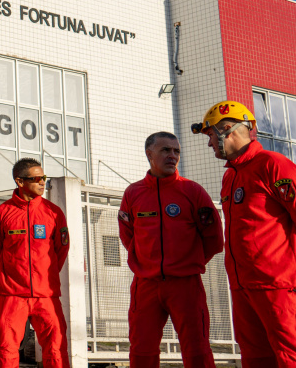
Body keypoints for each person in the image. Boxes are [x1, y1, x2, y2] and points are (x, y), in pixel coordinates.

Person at [192, 101, 296, 367]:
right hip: (242, 286)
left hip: (278, 285)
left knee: (290, 354)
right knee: (255, 357)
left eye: (210, 135)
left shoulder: (274, 165)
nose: (209, 144)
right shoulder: (230, 176)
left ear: (227, 129)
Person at [118, 132, 222, 368]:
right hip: (145, 284)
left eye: (176, 151)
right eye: (166, 150)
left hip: (186, 284)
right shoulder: (133, 193)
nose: (172, 156)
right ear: (149, 154)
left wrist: (187, 263)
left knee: (197, 350)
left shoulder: (193, 191)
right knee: (141, 350)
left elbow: (214, 239)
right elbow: (127, 235)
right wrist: (147, 263)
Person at [0, 158, 69, 368]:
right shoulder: (1, 213)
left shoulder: (53, 212)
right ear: (20, 181)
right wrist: (12, 274)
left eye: (44, 178)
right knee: (7, 350)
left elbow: (61, 249)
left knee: (56, 348)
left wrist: (44, 275)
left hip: (46, 295)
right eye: (36, 178)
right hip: (12, 294)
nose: (42, 182)